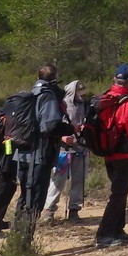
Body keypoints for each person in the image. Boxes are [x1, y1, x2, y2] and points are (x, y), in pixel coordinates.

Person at [13, 64, 75, 237]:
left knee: (25, 197)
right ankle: (23, 244)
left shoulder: (31, 93)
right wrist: (70, 129)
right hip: (39, 156)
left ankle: (16, 238)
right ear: (54, 78)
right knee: (34, 200)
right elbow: (50, 126)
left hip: (23, 153)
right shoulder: (47, 96)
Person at [93, 63, 128, 249]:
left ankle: (118, 230)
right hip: (125, 154)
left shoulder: (106, 97)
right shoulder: (127, 102)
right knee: (118, 195)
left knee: (119, 193)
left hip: (109, 152)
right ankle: (104, 234)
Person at [41, 80, 90, 223]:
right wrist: (62, 137)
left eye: (83, 93)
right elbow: (52, 126)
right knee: (58, 180)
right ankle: (48, 210)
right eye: (79, 93)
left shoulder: (86, 106)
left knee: (79, 181)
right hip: (63, 150)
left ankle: (74, 210)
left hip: (81, 148)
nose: (82, 96)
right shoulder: (60, 105)